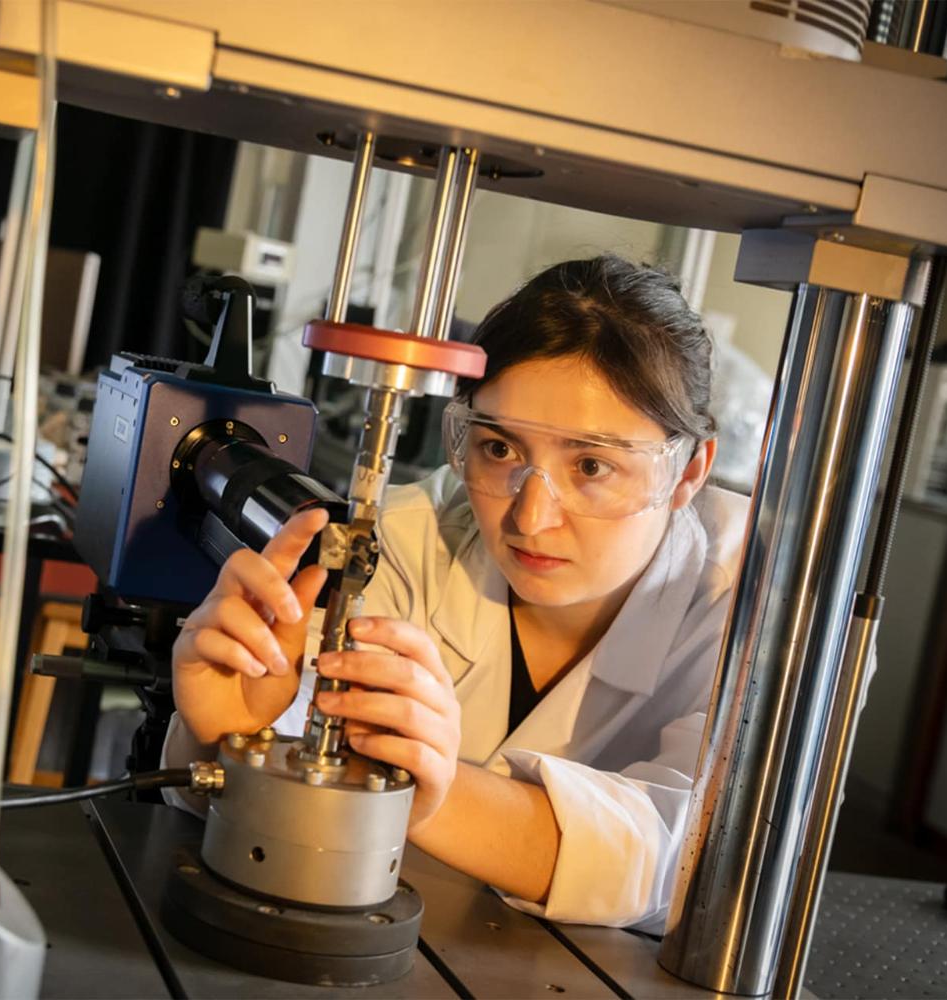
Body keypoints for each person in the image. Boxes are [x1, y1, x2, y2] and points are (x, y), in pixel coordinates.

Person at [162, 254, 749, 932]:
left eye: (591, 465)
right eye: (499, 449)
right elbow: (273, 797)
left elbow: (699, 863)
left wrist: (429, 799)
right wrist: (232, 738)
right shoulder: (404, 544)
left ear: (688, 472)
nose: (530, 517)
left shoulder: (752, 601)